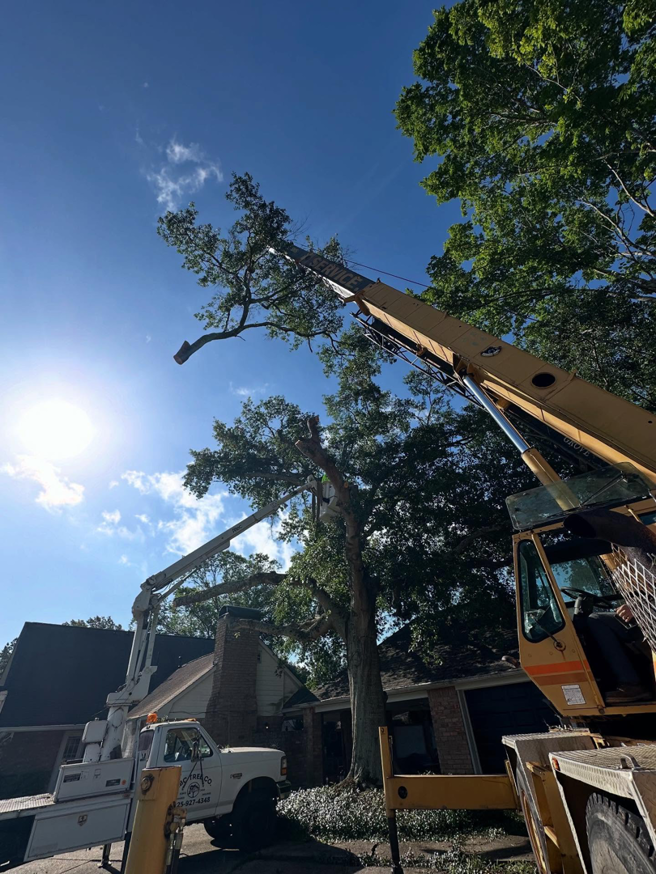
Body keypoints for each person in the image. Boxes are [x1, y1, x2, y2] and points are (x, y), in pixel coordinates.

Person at [577, 603, 652, 704]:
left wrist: (640, 607)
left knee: (596, 619)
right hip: (648, 614)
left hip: (650, 616)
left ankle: (631, 683)